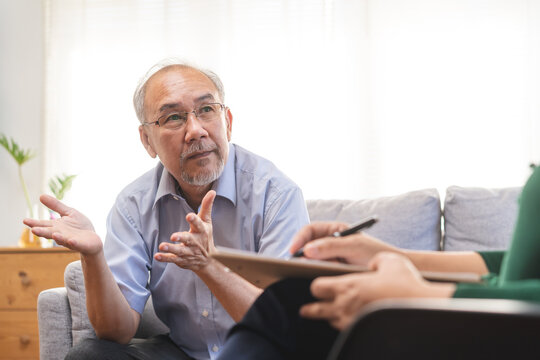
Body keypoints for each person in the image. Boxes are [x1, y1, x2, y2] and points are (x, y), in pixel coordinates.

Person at [24, 59, 309, 360]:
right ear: (147, 141)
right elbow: (117, 332)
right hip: (183, 352)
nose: (195, 131)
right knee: (90, 355)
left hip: (258, 350)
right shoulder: (133, 206)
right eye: (173, 117)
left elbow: (281, 326)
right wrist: (93, 256)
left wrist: (208, 266)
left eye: (207, 110)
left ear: (228, 122)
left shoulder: (276, 195)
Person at [217, 165, 540, 360]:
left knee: (291, 307)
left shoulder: (271, 187)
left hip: (506, 334)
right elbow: (518, 265)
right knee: (295, 296)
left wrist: (421, 297)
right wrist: (391, 256)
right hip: (502, 316)